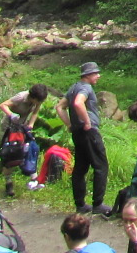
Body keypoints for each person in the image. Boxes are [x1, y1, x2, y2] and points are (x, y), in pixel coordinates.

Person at [56, 62, 109, 217]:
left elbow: (60, 107)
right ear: (87, 75)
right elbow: (78, 103)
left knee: (80, 167)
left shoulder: (73, 88)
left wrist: (70, 125)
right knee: (101, 165)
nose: (98, 76)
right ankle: (98, 204)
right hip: (89, 131)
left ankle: (80, 204)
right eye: (95, 73)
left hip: (77, 133)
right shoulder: (85, 88)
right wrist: (87, 122)